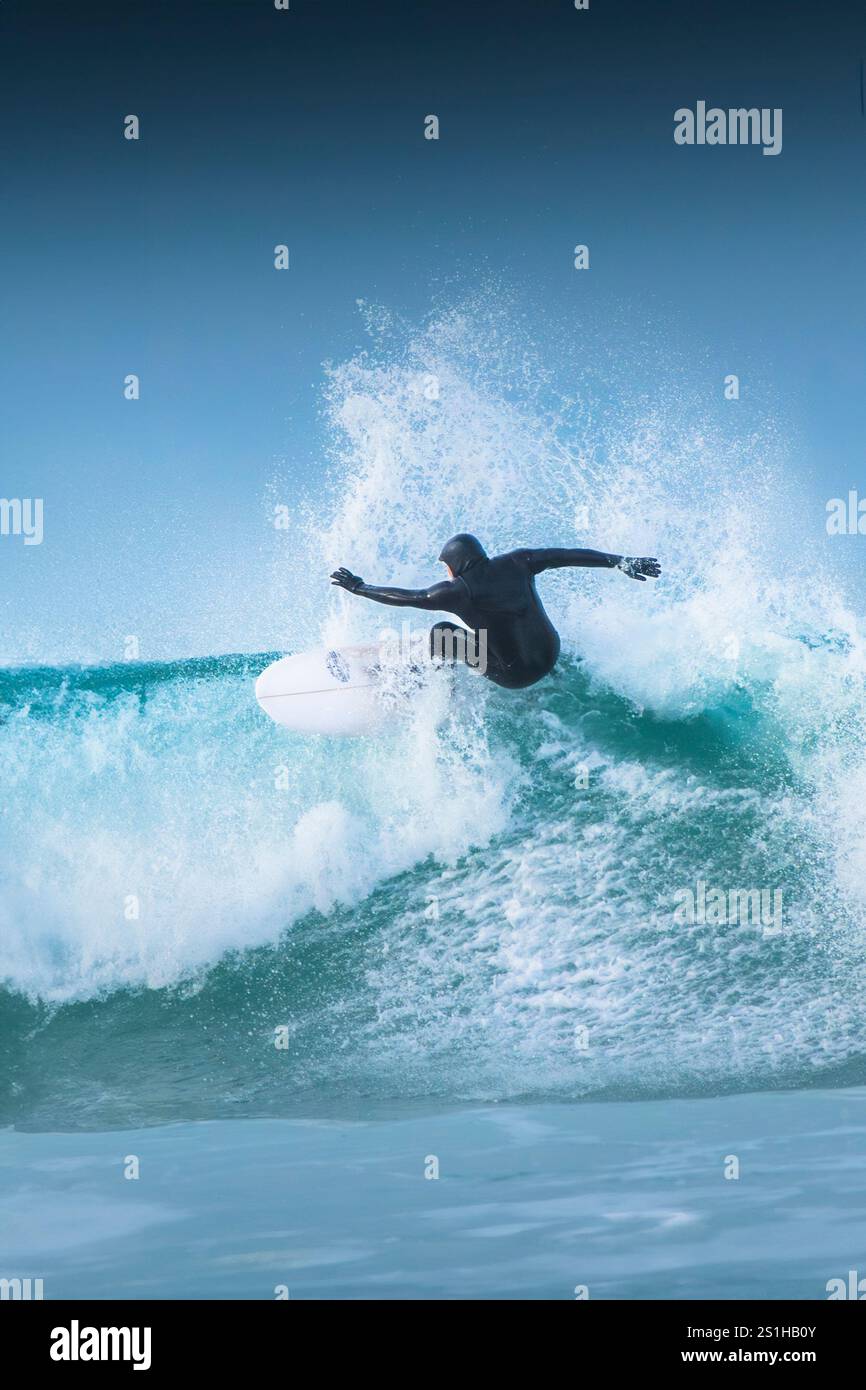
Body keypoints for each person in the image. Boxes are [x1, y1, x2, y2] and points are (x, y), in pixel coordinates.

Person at [330, 533, 660, 690]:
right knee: (487, 631)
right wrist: (621, 561)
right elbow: (568, 554)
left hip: (517, 676)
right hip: (550, 654)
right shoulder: (520, 560)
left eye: (447, 567)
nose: (447, 573)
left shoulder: (456, 592)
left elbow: (409, 597)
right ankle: (554, 674)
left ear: (455, 565)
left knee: (443, 633)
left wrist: (360, 587)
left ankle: (428, 685)